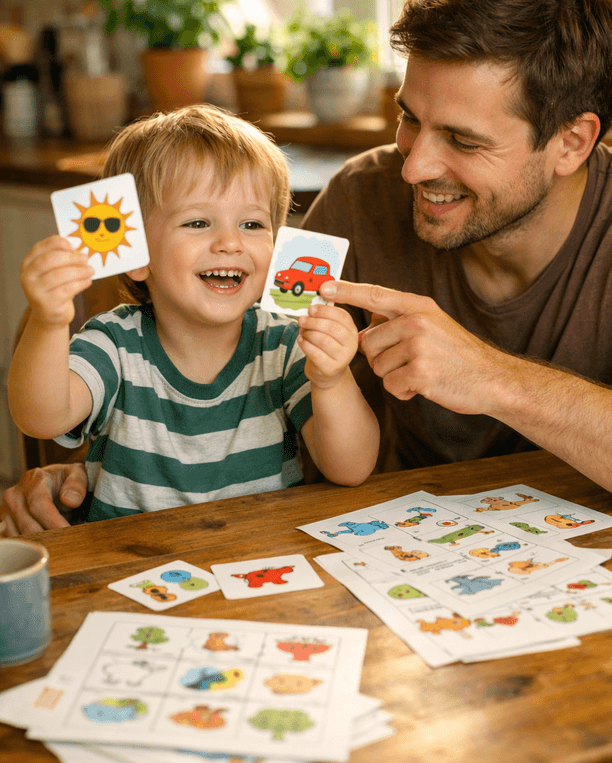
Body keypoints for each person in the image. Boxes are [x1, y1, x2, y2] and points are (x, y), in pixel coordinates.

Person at [301, 0, 612, 504]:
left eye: (463, 140)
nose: (414, 167)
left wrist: (491, 379)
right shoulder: (357, 199)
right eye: (410, 118)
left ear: (570, 142)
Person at [5, 105, 378, 530]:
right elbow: (40, 417)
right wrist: (48, 321)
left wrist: (332, 379)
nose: (229, 242)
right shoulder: (113, 342)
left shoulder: (286, 346)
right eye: (198, 222)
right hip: (133, 570)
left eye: (253, 224)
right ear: (135, 253)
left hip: (262, 565)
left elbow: (351, 468)